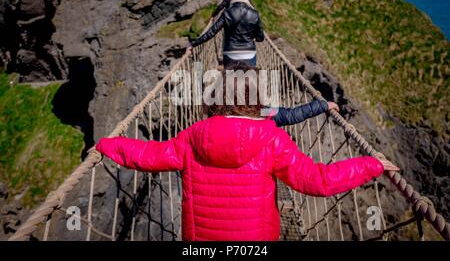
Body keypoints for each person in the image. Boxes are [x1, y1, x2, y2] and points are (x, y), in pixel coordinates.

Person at [95, 65, 399, 241]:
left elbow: (147, 155)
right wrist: (370, 165)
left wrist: (107, 145)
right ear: (255, 100)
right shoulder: (271, 139)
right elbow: (318, 181)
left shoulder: (192, 137)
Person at [189, 0, 264, 67]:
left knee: (229, 79)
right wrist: (253, 37)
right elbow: (261, 38)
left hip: (231, 53)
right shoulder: (254, 13)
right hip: (249, 53)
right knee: (252, 78)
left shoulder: (227, 13)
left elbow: (211, 32)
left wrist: (194, 44)